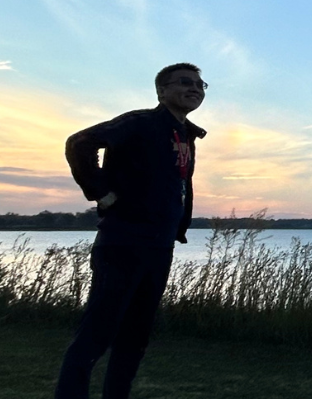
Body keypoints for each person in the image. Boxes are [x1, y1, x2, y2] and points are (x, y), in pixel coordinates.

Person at [55, 63, 207, 399]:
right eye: (185, 82)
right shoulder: (141, 122)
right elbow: (80, 142)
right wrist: (100, 191)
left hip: (160, 244)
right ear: (162, 91)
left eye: (200, 84)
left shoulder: (185, 135)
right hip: (123, 241)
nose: (195, 88)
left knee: (135, 337)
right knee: (97, 333)